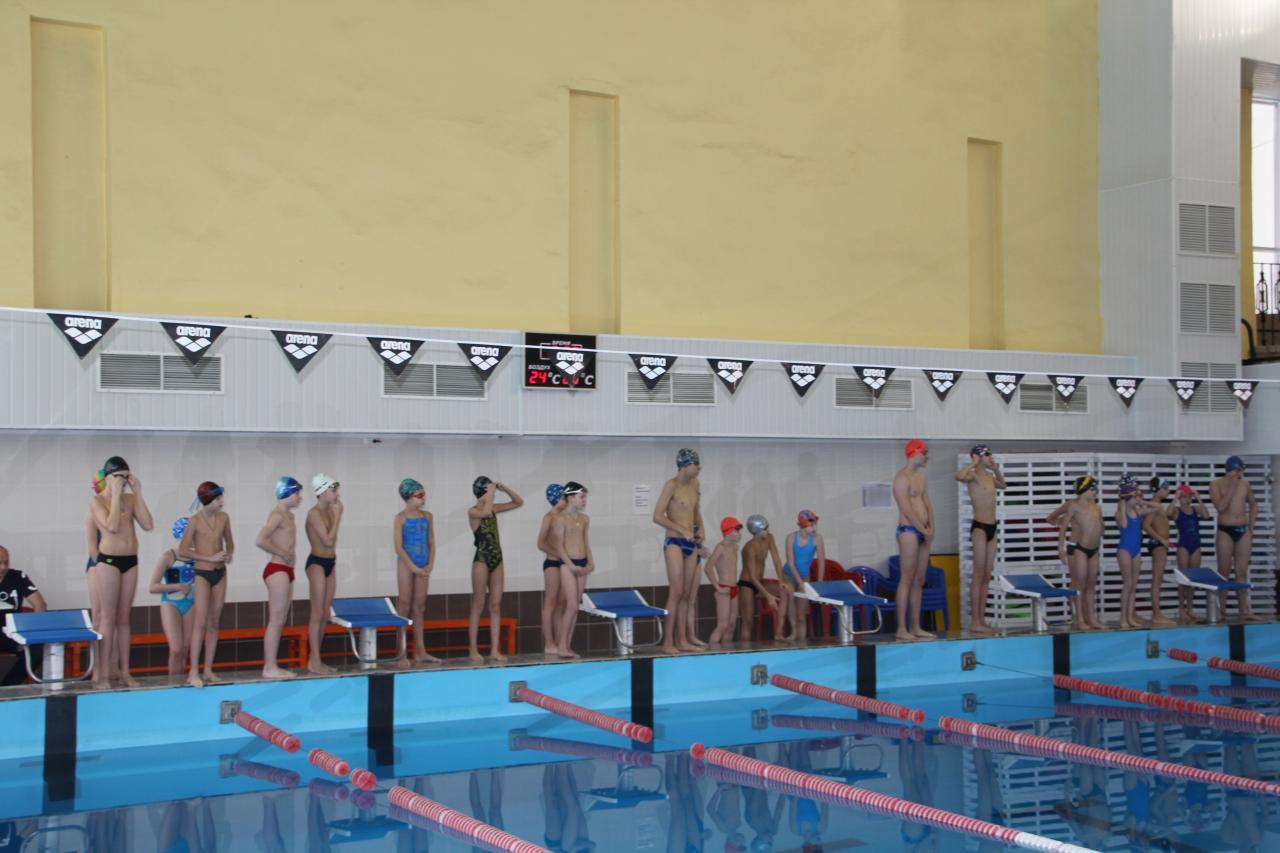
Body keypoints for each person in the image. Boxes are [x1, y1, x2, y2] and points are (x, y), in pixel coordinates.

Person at [87, 455, 154, 688]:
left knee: (124, 618)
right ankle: (104, 675)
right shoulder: (97, 501)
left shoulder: (130, 499)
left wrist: (138, 493)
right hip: (108, 562)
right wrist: (115, 495)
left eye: (126, 477)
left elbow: (148, 524)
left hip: (130, 561)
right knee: (107, 617)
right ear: (107, 477)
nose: (123, 481)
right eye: (118, 477)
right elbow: (112, 526)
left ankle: (125, 672)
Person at [180, 481, 234, 688]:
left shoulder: (224, 518)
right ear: (208, 499)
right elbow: (183, 550)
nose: (222, 502)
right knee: (200, 622)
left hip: (220, 573)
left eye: (222, 498)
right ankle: (193, 671)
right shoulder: (195, 521)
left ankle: (208, 669)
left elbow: (230, 542)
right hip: (202, 573)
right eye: (218, 498)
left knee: (214, 622)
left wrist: (228, 553)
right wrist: (208, 557)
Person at [653, 448, 706, 654]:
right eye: (696, 464)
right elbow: (657, 516)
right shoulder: (671, 485)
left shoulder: (695, 484)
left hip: (691, 544)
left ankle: (682, 640)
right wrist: (682, 529)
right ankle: (668, 642)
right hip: (674, 542)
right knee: (676, 592)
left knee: (686, 593)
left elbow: (695, 510)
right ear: (685, 465)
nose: (699, 467)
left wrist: (700, 528)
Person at [467, 476, 523, 663]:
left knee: (495, 606)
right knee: (478, 605)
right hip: (481, 560)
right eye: (489, 491)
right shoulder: (473, 511)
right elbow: (486, 513)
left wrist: (504, 487)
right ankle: (473, 650)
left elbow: (518, 502)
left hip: (497, 559)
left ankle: (494, 650)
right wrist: (491, 493)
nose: (493, 494)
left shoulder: (494, 508)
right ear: (483, 491)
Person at [254, 477, 302, 680]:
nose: (299, 497)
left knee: (280, 619)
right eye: (297, 493)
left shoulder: (288, 516)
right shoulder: (277, 515)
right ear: (286, 493)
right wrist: (282, 553)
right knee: (275, 620)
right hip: (277, 569)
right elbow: (260, 540)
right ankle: (269, 667)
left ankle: (272, 665)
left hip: (287, 570)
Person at [956, 443, 1006, 635]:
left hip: (993, 527)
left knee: (986, 574)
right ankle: (975, 621)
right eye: (987, 456)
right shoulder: (973, 476)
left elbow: (1003, 485)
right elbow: (958, 476)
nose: (990, 458)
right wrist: (973, 463)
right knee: (978, 575)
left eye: (990, 455)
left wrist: (997, 470)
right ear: (978, 457)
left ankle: (982, 620)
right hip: (980, 528)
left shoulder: (990, 477)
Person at [392, 478, 440, 665]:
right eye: (420, 495)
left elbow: (432, 542)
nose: (423, 498)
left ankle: (420, 652)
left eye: (424, 494)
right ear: (408, 497)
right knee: (404, 606)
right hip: (406, 564)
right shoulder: (400, 518)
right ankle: (401, 653)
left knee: (419, 608)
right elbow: (398, 547)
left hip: (423, 564)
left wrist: (430, 564)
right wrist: (413, 567)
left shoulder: (428, 516)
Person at [1210, 456, 1263, 621]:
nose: (1241, 474)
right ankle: (1221, 611)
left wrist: (1251, 526)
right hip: (1225, 531)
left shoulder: (1245, 484)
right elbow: (1220, 507)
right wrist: (1232, 486)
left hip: (1243, 530)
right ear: (1233, 470)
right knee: (1223, 572)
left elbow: (1253, 503)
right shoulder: (1215, 484)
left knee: (1241, 571)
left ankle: (1244, 610)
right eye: (1239, 470)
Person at [1048, 475, 1105, 631]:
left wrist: (1099, 526)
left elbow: (1101, 527)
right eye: (1093, 488)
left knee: (1090, 585)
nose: (1096, 491)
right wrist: (1061, 549)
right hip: (1078, 547)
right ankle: (1079, 618)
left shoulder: (1096, 507)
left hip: (1094, 549)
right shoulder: (1072, 505)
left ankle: (1091, 618)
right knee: (1079, 584)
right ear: (1084, 490)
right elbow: (1062, 527)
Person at [893, 439, 935, 641]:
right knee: (907, 578)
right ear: (914, 452)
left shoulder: (921, 477)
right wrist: (923, 529)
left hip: (924, 531)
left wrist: (931, 528)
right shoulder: (901, 478)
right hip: (908, 530)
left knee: (920, 580)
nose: (926, 457)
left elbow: (927, 504)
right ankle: (901, 628)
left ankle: (915, 626)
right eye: (924, 452)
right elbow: (907, 509)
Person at [304, 474, 343, 675]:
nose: (337, 495)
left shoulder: (329, 511)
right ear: (323, 492)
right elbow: (327, 541)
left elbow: (331, 543)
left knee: (325, 613)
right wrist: (338, 517)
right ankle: (316, 662)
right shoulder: (314, 514)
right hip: (316, 563)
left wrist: (335, 516)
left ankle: (315, 660)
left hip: (330, 563)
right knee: (317, 612)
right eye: (334, 491)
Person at [147, 519, 196, 678]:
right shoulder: (168, 557)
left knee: (186, 648)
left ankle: (180, 682)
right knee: (176, 649)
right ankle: (173, 683)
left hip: (191, 603)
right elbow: (153, 587)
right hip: (171, 603)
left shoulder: (197, 557)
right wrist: (177, 586)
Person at [551, 482, 593, 657]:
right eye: (581, 497)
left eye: (585, 497)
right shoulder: (560, 518)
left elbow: (586, 543)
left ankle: (567, 646)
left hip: (582, 564)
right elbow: (559, 546)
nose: (584, 500)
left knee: (575, 606)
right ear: (570, 497)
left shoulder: (584, 519)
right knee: (572, 605)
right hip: (567, 565)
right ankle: (561, 645)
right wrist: (570, 565)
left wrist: (590, 563)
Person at [1114, 479, 1163, 629]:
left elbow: (1158, 507)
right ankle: (1123, 618)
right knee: (1127, 584)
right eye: (1135, 497)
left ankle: (1130, 617)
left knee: (1133, 586)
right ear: (1128, 498)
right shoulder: (1120, 514)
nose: (1137, 499)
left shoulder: (1138, 512)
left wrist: (1143, 502)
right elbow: (1123, 524)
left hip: (1136, 551)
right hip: (1124, 550)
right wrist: (1122, 503)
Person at [0, 546, 47, 686]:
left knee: (36, 652)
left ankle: (7, 688)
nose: (3, 567)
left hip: (12, 632)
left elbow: (40, 605)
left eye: (6, 562)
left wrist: (28, 635)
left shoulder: (18, 577)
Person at [736, 515, 784, 642]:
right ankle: (744, 651)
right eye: (765, 529)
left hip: (760, 582)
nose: (768, 531)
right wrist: (768, 596)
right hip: (747, 584)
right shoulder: (749, 548)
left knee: (785, 591)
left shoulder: (769, 538)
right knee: (748, 623)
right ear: (756, 531)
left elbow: (776, 560)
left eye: (767, 528)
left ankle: (779, 632)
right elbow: (752, 577)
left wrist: (781, 580)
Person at [782, 511, 825, 644]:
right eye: (811, 525)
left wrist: (819, 583)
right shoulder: (791, 538)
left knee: (801, 613)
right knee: (791, 603)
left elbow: (821, 562)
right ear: (801, 525)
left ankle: (802, 640)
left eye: (815, 525)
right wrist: (799, 582)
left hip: (805, 576)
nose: (814, 528)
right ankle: (794, 632)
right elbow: (791, 563)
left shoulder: (817, 539)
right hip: (788, 575)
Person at [1171, 484, 1210, 623]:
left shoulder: (1195, 509)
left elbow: (1206, 515)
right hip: (1183, 545)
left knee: (1193, 579)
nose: (1184, 499)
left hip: (1195, 545)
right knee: (1183, 579)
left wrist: (1199, 498)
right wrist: (1175, 497)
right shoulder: (1177, 511)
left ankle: (1190, 609)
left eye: (1187, 496)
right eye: (1182, 496)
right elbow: (1167, 513)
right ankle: (1181, 609)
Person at [1142, 478, 1176, 626]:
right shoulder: (1154, 505)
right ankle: (1156, 615)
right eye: (1165, 488)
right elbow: (1146, 525)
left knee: (1158, 580)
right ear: (1157, 490)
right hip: (1158, 544)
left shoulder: (1157, 505)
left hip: (1160, 544)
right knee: (1157, 580)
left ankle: (1157, 614)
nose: (1168, 491)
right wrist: (1161, 539)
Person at [537, 484, 566, 657]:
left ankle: (560, 643)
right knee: (550, 603)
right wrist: (560, 554)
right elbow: (540, 543)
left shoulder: (565, 517)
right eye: (563, 497)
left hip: (564, 565)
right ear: (556, 499)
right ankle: (549, 643)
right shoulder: (549, 517)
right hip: (552, 564)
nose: (567, 500)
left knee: (560, 605)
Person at [705, 517, 743, 645]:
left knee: (731, 625)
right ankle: (712, 653)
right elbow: (708, 568)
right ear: (728, 531)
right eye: (737, 531)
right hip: (723, 588)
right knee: (722, 625)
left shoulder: (735, 547)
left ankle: (727, 652)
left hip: (734, 589)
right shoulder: (720, 547)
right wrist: (718, 588)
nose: (739, 534)